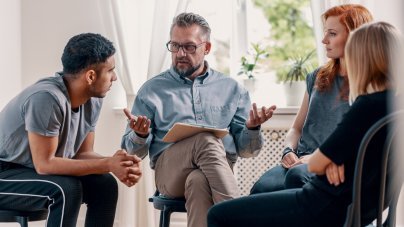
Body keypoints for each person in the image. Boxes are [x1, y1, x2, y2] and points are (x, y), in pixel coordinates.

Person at [207, 21, 400, 227]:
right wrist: (336, 159)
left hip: (320, 205)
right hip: (356, 209)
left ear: (365, 58)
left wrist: (328, 159)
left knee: (218, 214)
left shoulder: (367, 106)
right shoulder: (394, 107)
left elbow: (316, 163)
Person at [121, 12, 276, 227]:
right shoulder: (152, 90)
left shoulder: (232, 89)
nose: (180, 53)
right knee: (205, 139)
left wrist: (252, 128)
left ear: (207, 48)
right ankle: (241, 220)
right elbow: (131, 153)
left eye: (189, 46)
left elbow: (248, 151)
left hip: (217, 170)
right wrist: (140, 134)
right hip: (170, 172)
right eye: (174, 46)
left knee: (198, 181)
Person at [0, 33, 142, 227]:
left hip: (28, 171)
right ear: (91, 76)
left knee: (104, 184)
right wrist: (108, 163)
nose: (114, 78)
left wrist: (119, 163)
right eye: (111, 71)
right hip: (5, 172)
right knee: (66, 188)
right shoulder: (46, 99)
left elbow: (82, 154)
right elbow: (45, 164)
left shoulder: (93, 99)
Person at [250, 4, 373, 194]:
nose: (324, 40)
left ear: (355, 36)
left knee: (296, 178)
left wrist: (323, 158)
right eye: (325, 33)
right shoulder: (317, 76)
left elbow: (367, 141)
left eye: (332, 33)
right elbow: (296, 128)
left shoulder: (371, 84)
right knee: (260, 189)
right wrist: (288, 151)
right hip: (299, 161)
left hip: (335, 165)